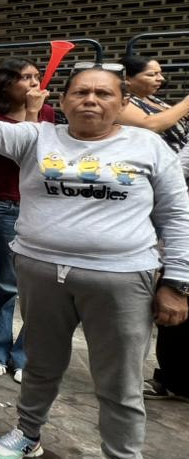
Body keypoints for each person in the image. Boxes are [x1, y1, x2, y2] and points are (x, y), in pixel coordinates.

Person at [0, 62, 189, 459]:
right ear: (62, 101)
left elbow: (177, 214)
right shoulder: (37, 137)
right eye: (80, 92)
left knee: (120, 381)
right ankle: (28, 434)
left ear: (124, 101)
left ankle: (123, 453)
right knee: (41, 364)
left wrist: (178, 281)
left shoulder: (147, 146)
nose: (90, 100)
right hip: (41, 273)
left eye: (103, 93)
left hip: (123, 279)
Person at [0, 58, 56, 382]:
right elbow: (20, 153)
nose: (35, 83)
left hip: (41, 208)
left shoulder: (49, 115)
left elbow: (46, 161)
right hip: (4, 206)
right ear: (6, 84)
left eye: (37, 77)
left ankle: (25, 354)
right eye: (25, 78)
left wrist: (39, 114)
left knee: (40, 289)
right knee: (6, 283)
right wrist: (34, 115)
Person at [117, 55, 189, 405]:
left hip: (176, 192)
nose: (160, 78)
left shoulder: (161, 103)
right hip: (149, 200)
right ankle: (161, 374)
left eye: (161, 73)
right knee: (158, 291)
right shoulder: (129, 107)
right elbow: (154, 126)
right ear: (128, 80)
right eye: (152, 73)